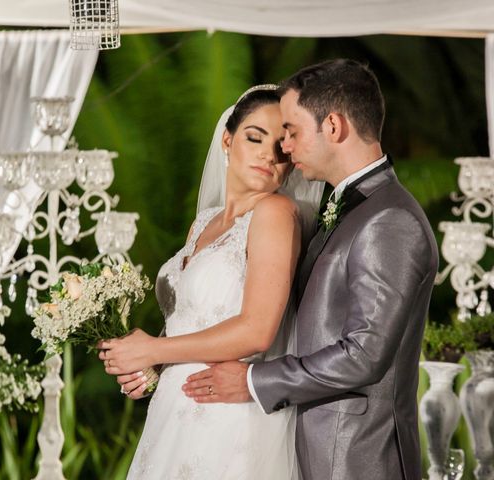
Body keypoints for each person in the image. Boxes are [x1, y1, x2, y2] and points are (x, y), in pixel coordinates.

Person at [182, 59, 440, 480]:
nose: (284, 146)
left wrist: (252, 381)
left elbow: (364, 355)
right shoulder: (341, 210)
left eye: (292, 131)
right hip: (313, 447)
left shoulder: (390, 218)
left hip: (356, 456)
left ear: (334, 127)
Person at [98, 85, 324, 479]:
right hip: (174, 411)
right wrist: (152, 365)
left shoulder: (275, 212)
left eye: (281, 148)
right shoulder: (204, 223)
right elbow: (192, 318)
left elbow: (257, 331)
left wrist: (154, 349)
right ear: (227, 138)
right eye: (254, 137)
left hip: (227, 415)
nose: (267, 155)